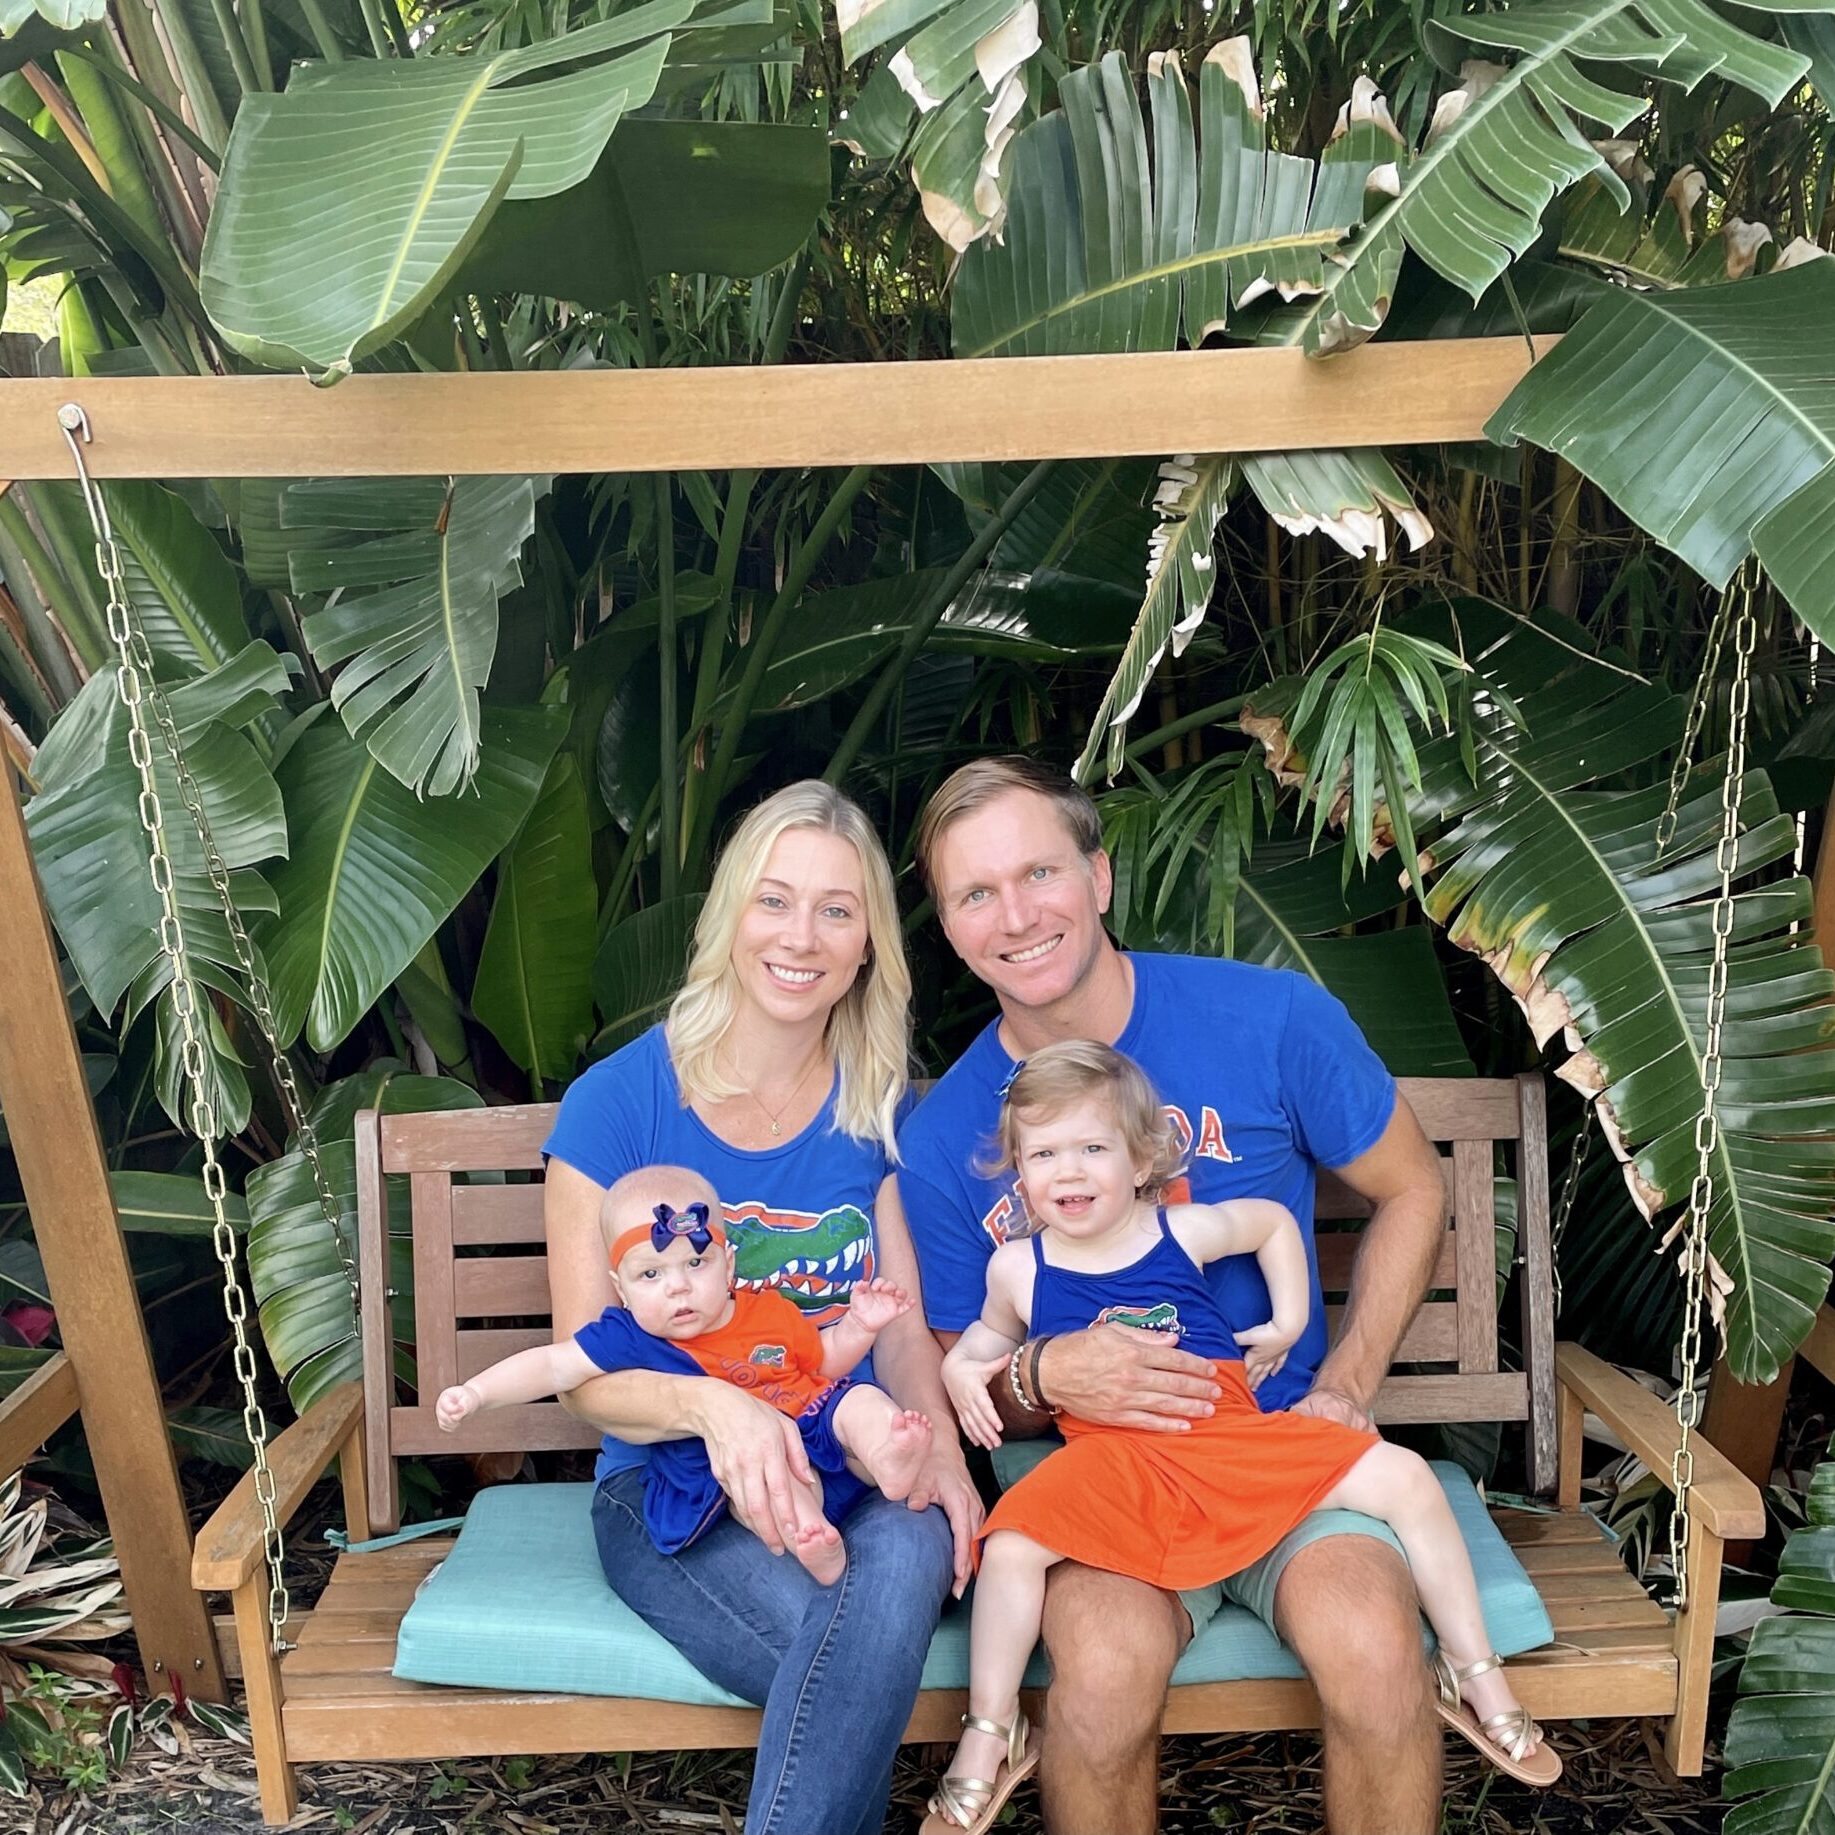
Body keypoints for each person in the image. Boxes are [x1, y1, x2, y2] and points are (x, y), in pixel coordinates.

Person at [894, 755, 1455, 1835]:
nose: (1015, 915)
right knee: (1098, 1680)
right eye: (975, 893)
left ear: (1097, 877)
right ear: (952, 928)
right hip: (1098, 1471)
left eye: (1039, 872)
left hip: (1275, 1447)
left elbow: (1411, 1184)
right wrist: (1040, 1369)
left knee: (1376, 1650)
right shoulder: (944, 1137)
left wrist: (1342, 1383)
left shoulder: (1269, 1018)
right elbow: (972, 1382)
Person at [925, 1043, 1558, 1834]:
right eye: (1045, 1153)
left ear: (1139, 1157)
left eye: (1093, 1148)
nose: (1071, 1172)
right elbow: (982, 1343)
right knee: (1013, 1540)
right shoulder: (1019, 1267)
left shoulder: (1176, 1230)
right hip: (1116, 1460)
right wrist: (960, 1375)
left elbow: (1266, 1224)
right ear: (1019, 1171)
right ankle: (990, 1731)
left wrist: (1289, 1321)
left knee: (1403, 1477)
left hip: (1226, 1438)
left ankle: (1473, 1670)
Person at [542, 781, 978, 1835]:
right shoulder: (619, 1102)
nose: (802, 935)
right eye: (774, 900)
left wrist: (948, 1461)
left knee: (911, 1541)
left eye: (836, 908)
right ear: (729, 914)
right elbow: (585, 1376)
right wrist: (717, 1410)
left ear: (868, 940)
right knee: (846, 1654)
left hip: (848, 1471)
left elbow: (905, 1323)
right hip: (671, 1492)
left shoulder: (878, 1107)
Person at [440, 1165, 934, 1584]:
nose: (678, 1288)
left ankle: (890, 1456)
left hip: (809, 1417)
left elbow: (822, 1360)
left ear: (728, 1264)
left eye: (696, 1263)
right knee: (764, 1479)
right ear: (622, 1288)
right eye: (651, 1275)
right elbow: (551, 1365)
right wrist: (478, 1392)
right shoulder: (629, 1337)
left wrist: (858, 1326)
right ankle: (811, 1540)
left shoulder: (766, 1311)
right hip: (729, 1458)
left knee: (860, 1400)